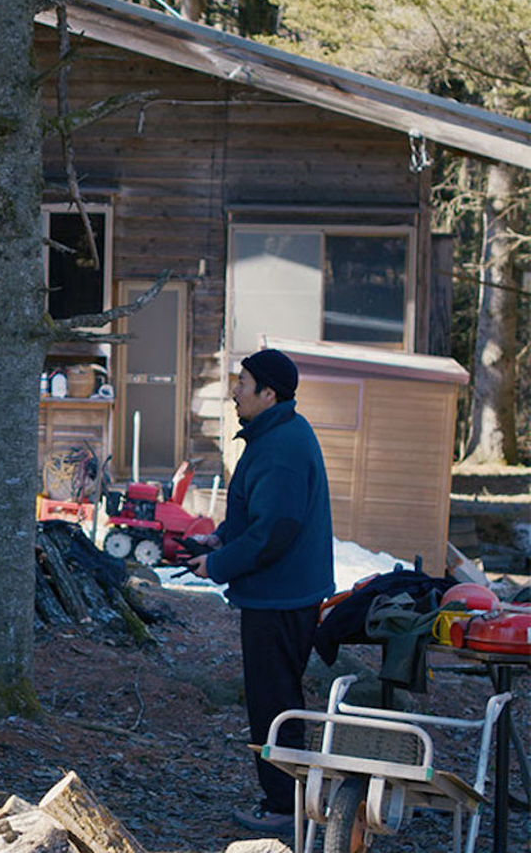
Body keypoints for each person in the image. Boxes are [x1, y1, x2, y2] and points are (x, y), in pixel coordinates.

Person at [186, 348, 335, 834]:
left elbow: (276, 530)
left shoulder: (283, 446)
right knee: (274, 699)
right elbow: (254, 512)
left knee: (275, 703)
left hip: (284, 597)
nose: (234, 391)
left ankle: (283, 808)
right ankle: (288, 800)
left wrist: (218, 564)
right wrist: (222, 537)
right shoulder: (272, 435)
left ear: (268, 393)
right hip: (278, 593)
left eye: (243, 383)